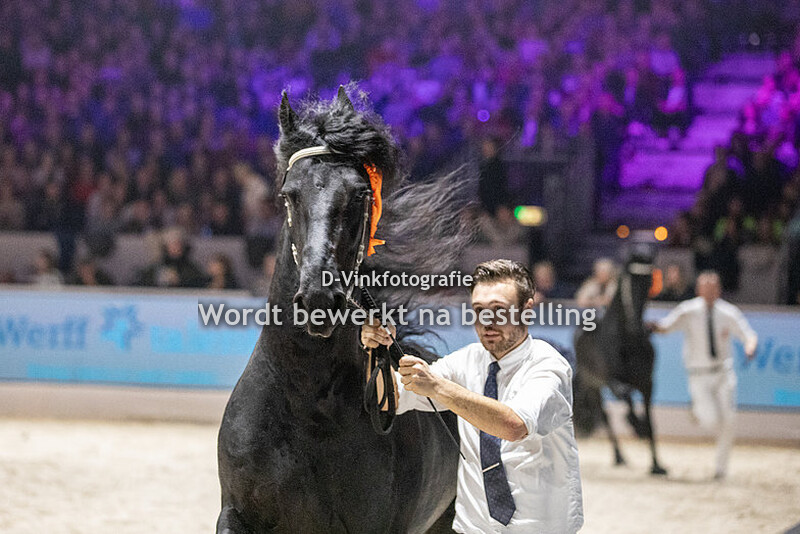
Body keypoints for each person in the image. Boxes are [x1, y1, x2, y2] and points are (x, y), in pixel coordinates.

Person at [361, 259, 583, 533]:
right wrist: (375, 350)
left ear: (526, 311)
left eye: (499, 311)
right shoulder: (464, 361)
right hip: (472, 527)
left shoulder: (549, 366)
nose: (487, 322)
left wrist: (439, 388)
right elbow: (388, 400)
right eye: (479, 311)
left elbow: (513, 426)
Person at [649, 271, 757, 480]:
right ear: (699, 290)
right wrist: (655, 327)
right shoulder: (688, 310)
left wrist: (750, 347)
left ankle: (721, 469)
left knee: (729, 419)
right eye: (705, 287)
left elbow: (748, 334)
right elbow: (667, 326)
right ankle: (697, 409)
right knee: (710, 419)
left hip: (723, 372)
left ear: (719, 289)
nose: (709, 291)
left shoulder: (728, 312)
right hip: (698, 374)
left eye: (713, 287)